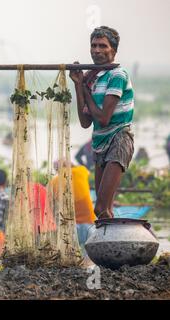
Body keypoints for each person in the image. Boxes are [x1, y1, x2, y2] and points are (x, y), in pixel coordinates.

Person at [70, 26, 134, 219]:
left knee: (100, 208)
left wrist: (85, 89)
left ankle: (117, 245)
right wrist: (78, 86)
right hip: (99, 145)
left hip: (118, 140)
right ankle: (113, 247)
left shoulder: (117, 75)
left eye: (102, 46)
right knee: (104, 212)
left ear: (113, 51)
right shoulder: (94, 78)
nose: (96, 50)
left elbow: (104, 119)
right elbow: (84, 122)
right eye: (93, 46)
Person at [50, 162, 97, 260]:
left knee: (71, 257)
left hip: (70, 226)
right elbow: (84, 170)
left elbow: (53, 205)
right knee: (92, 255)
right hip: (89, 224)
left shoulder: (54, 182)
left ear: (56, 170)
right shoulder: (81, 171)